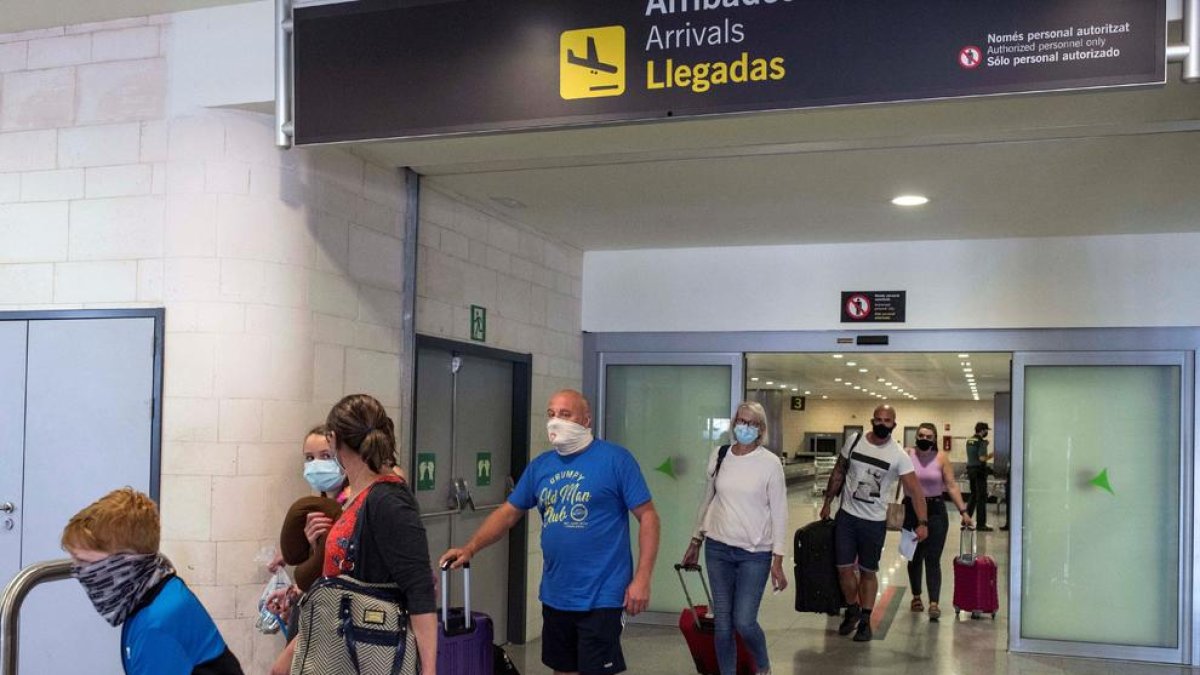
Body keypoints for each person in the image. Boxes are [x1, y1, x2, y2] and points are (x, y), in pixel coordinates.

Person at [440, 389, 660, 675]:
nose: (556, 422)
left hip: (603, 593)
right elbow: (508, 514)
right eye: (551, 414)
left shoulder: (616, 460)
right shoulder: (541, 466)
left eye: (565, 414)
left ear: (586, 419)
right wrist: (470, 548)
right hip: (557, 594)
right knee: (563, 669)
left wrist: (642, 578)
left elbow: (649, 518)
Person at [271, 394, 438, 675]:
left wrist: (429, 670)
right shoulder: (356, 495)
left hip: (366, 636)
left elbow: (419, 588)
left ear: (334, 440)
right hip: (337, 625)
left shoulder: (388, 499)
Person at [61, 488, 244, 675]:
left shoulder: (154, 626)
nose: (78, 573)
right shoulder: (161, 589)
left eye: (85, 562)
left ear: (123, 565)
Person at [681, 401, 787, 675]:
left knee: (744, 621)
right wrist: (695, 541)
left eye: (752, 423)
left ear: (761, 429)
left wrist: (778, 559)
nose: (745, 427)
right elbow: (707, 499)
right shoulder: (720, 454)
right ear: (734, 423)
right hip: (717, 549)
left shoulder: (770, 463)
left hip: (755, 553)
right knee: (723, 624)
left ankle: (762, 665)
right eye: (741, 421)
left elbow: (780, 512)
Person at [819, 404, 928, 642]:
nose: (881, 424)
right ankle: (852, 608)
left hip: (874, 522)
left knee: (868, 571)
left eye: (887, 420)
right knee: (843, 569)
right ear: (871, 420)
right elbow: (838, 472)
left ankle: (866, 620)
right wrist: (828, 502)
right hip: (847, 516)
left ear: (894, 424)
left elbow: (915, 491)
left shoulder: (899, 455)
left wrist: (922, 521)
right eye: (877, 419)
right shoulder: (854, 441)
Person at [904, 423, 973, 621]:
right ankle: (916, 597)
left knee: (933, 558)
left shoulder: (941, 457)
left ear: (935, 438)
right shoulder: (907, 454)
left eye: (929, 436)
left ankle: (934, 602)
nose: (924, 438)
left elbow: (951, 486)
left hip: (935, 510)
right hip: (911, 510)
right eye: (921, 435)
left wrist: (964, 511)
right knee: (914, 557)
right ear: (916, 436)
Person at [965, 422, 994, 532]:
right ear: (982, 430)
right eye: (986, 430)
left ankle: (966, 521)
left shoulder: (970, 440)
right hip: (979, 472)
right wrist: (992, 454)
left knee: (973, 495)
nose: (987, 432)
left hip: (970, 471)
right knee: (981, 498)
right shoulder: (981, 442)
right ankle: (981, 524)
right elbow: (982, 458)